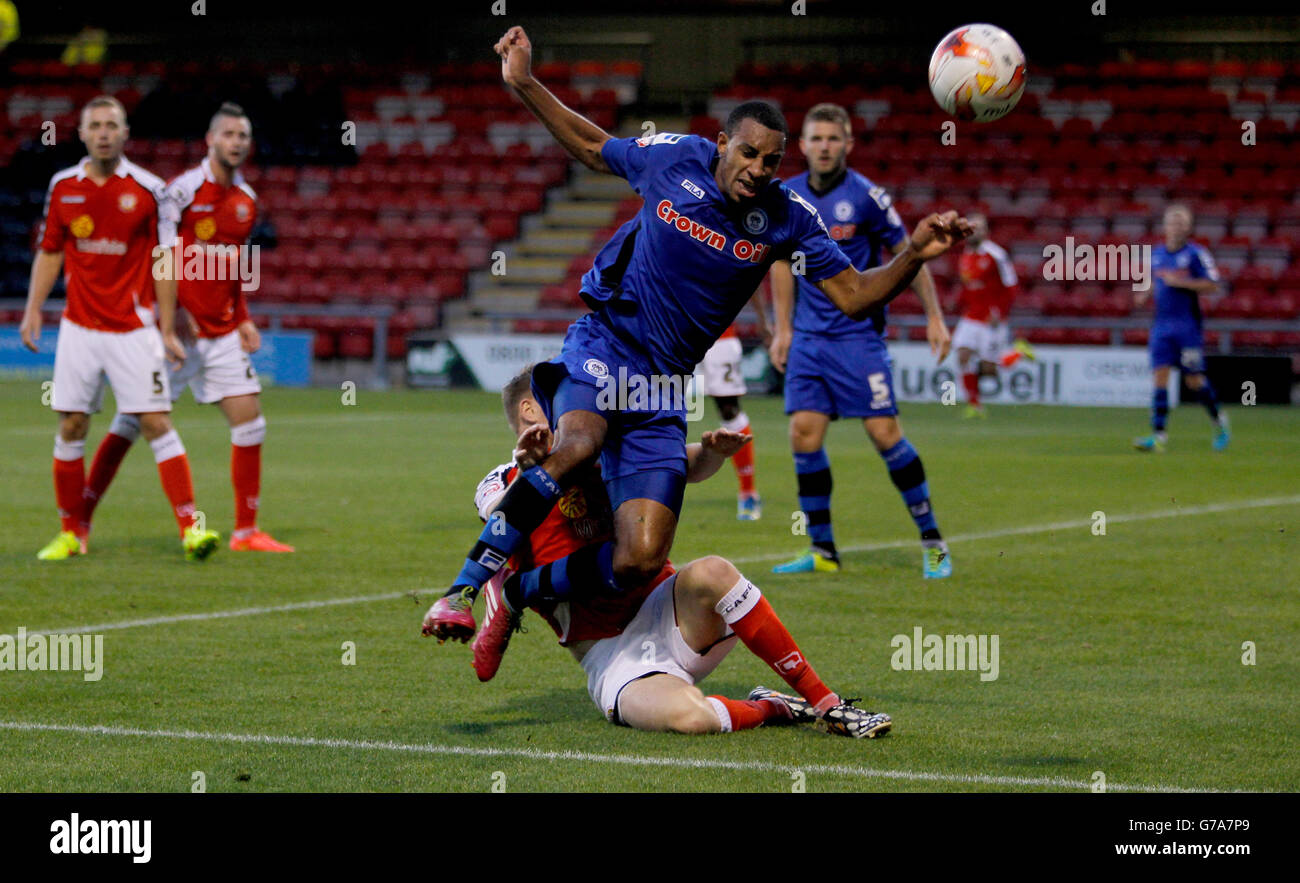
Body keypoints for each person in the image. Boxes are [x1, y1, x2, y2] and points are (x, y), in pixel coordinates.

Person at [426, 25, 971, 641]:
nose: (758, 169)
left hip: (663, 388)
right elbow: (590, 145)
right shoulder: (672, 157)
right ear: (722, 144)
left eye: (771, 160)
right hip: (607, 343)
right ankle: (461, 590)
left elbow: (855, 294)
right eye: (748, 153)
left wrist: (916, 254)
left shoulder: (789, 218)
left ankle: (515, 591)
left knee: (639, 560)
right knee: (576, 444)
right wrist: (525, 82)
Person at [422, 369, 892, 739]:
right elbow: (505, 518)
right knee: (691, 719)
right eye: (563, 398)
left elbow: (683, 465)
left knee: (711, 571)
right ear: (531, 406)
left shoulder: (602, 446)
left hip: (666, 609)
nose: (577, 406)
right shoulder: (498, 479)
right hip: (610, 657)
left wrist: (712, 454)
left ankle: (827, 703)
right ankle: (774, 706)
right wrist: (533, 467)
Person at [81, 102, 293, 552]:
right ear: (210, 140)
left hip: (220, 335)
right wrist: (169, 320)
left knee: (251, 422)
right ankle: (78, 520)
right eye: (229, 135)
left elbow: (234, 267)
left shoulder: (247, 201)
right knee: (131, 423)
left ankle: (245, 531)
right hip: (171, 334)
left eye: (243, 137)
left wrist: (244, 318)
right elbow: (159, 254)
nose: (236, 143)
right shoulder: (179, 192)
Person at [21, 95, 220, 561]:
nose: (105, 132)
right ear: (83, 133)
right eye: (96, 125)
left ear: (126, 133)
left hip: (134, 329)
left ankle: (192, 529)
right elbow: (50, 250)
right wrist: (33, 309)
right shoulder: (63, 186)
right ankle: (71, 534)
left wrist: (168, 329)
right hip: (79, 329)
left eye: (113, 124)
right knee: (71, 423)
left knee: (155, 420)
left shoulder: (151, 190)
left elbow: (164, 260)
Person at [767, 103, 952, 578]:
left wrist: (934, 316)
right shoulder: (784, 196)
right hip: (809, 338)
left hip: (857, 336)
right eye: (816, 138)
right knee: (803, 436)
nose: (825, 146)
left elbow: (911, 254)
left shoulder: (868, 197)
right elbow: (782, 265)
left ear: (848, 144)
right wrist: (783, 328)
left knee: (884, 434)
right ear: (803, 146)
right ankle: (824, 551)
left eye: (834, 138)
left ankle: (933, 542)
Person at [1134, 204, 1229, 452]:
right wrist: (1146, 293)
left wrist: (1181, 282)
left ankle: (1219, 422)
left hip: (1187, 327)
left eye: (1180, 223)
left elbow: (1214, 285)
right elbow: (1155, 282)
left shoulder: (1197, 254)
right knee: (1160, 377)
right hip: (1162, 327)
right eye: (1171, 222)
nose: (1175, 227)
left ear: (1187, 227)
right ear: (1165, 226)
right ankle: (1159, 436)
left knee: (1194, 381)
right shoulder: (1156, 255)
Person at [952, 213, 1034, 419]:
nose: (974, 231)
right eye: (971, 227)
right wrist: (958, 302)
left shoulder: (996, 255)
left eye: (979, 227)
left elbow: (1011, 286)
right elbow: (969, 286)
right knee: (962, 355)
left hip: (991, 319)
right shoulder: (965, 255)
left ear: (986, 232)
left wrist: (1000, 312)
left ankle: (1018, 352)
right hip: (970, 316)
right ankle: (975, 405)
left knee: (990, 369)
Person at [694, 315, 765, 521]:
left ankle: (748, 491)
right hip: (674, 330)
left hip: (719, 333)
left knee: (728, 409)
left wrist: (763, 321)